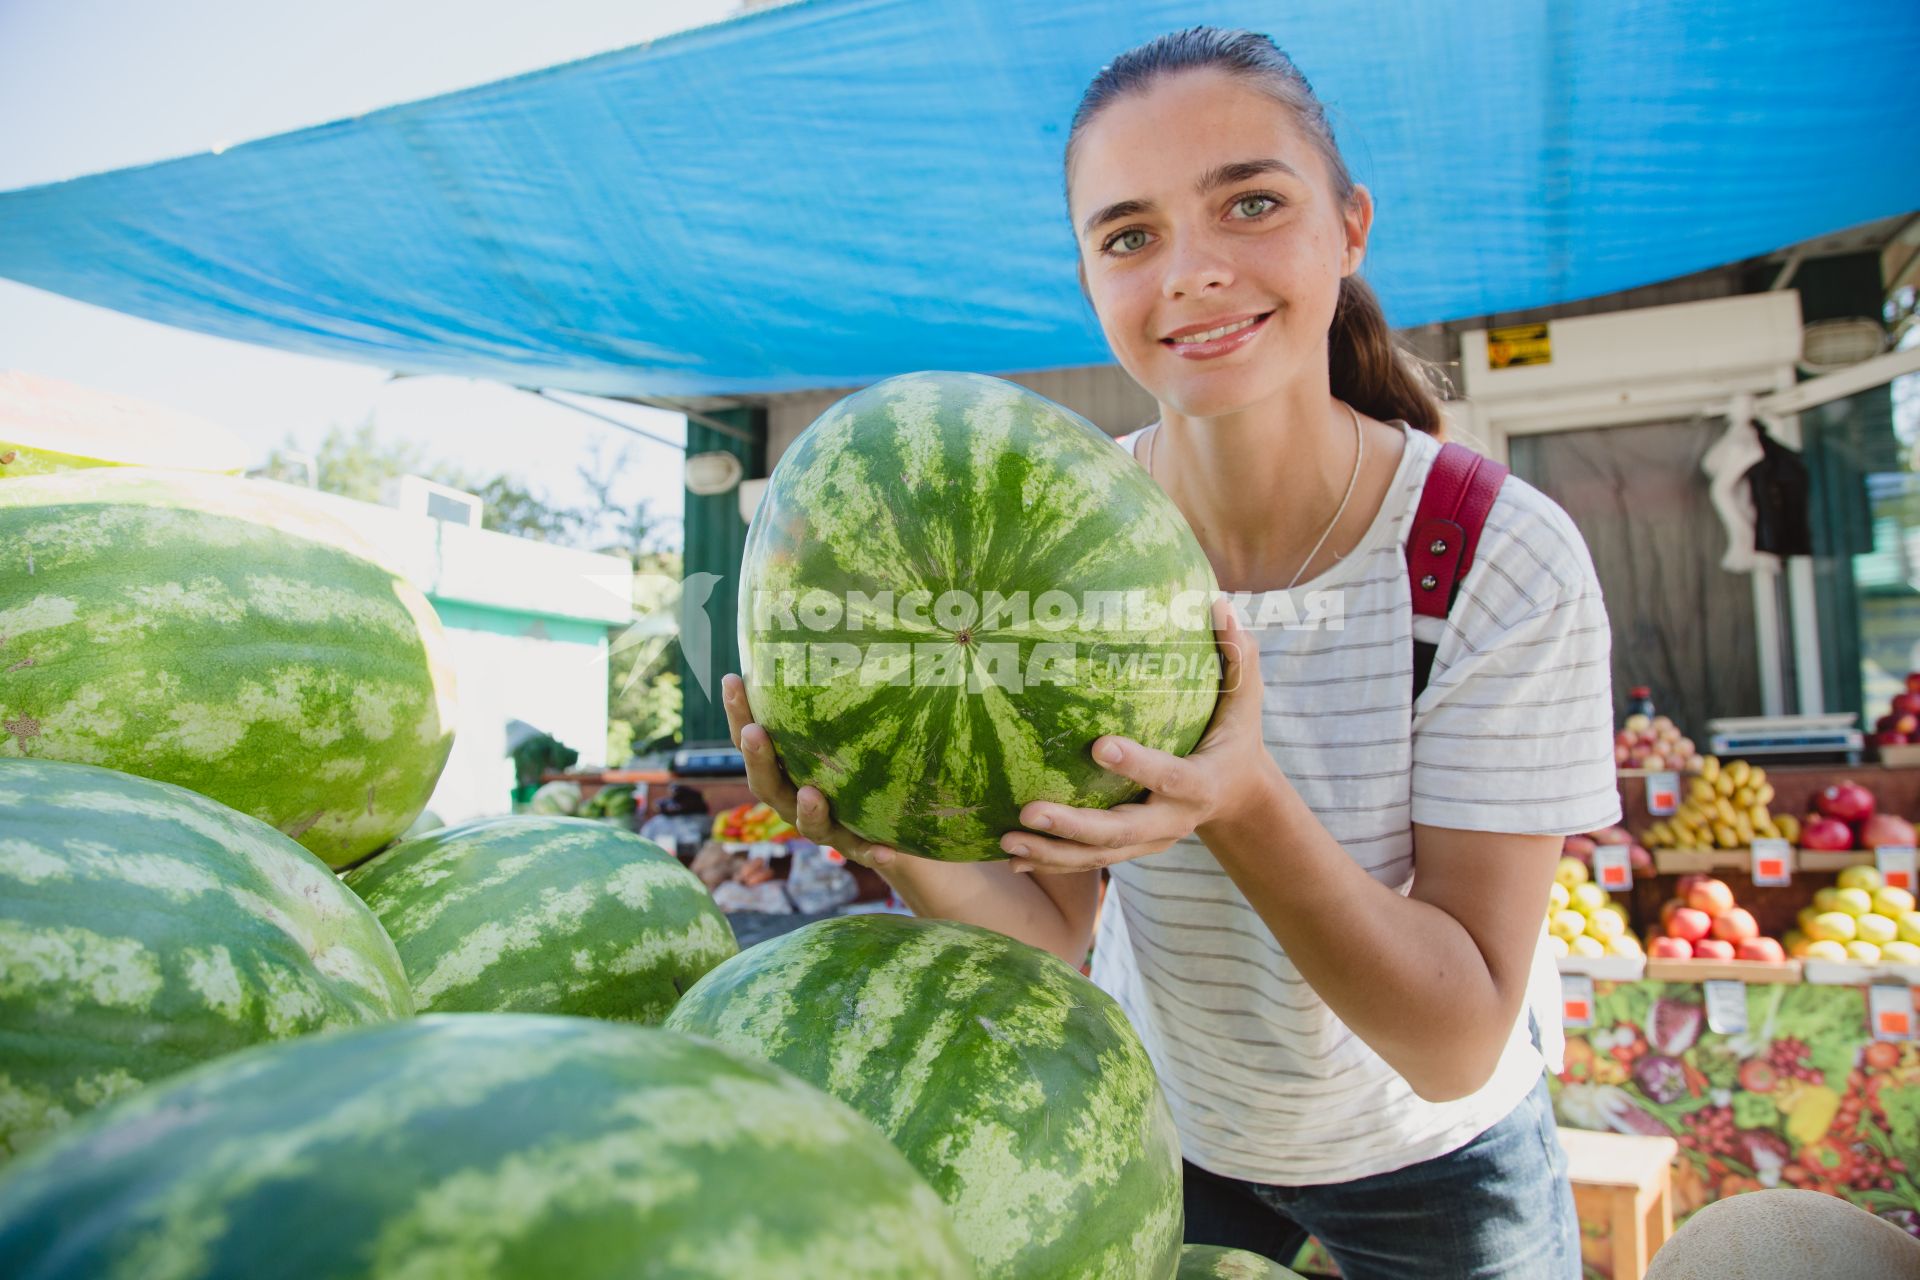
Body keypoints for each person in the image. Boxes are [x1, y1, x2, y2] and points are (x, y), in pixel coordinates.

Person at [720, 26, 1617, 1280]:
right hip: (1162, 1136)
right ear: (1088, 277)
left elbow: (1457, 1036)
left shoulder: (1494, 555)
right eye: (1129, 235)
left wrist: (1241, 798)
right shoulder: (1035, 538)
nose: (1191, 273)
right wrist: (896, 834)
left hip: (1442, 1172)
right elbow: (1054, 933)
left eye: (1251, 202)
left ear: (1349, 227)